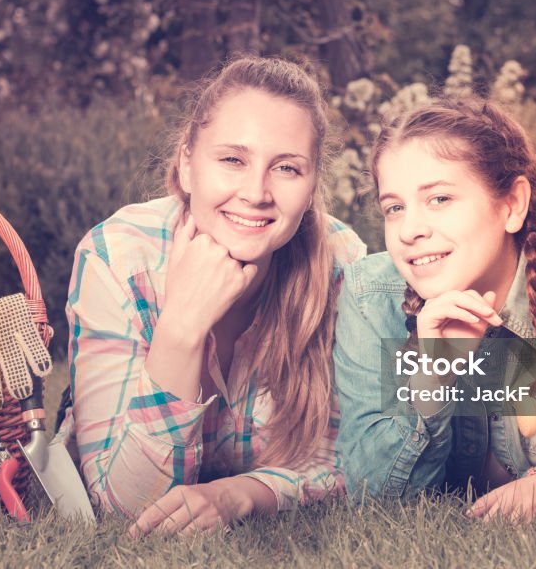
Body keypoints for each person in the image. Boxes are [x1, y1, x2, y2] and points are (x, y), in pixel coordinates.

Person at [60, 56, 366, 536]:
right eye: (232, 160)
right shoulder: (117, 258)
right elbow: (125, 504)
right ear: (186, 164)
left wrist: (239, 494)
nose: (256, 192)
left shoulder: (341, 262)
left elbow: (356, 455)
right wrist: (182, 328)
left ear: (310, 189)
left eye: (286, 168)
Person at [334, 97, 536, 521]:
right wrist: (432, 372)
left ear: (512, 204)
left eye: (439, 199)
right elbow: (376, 494)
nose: (410, 230)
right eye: (395, 208)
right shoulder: (371, 295)